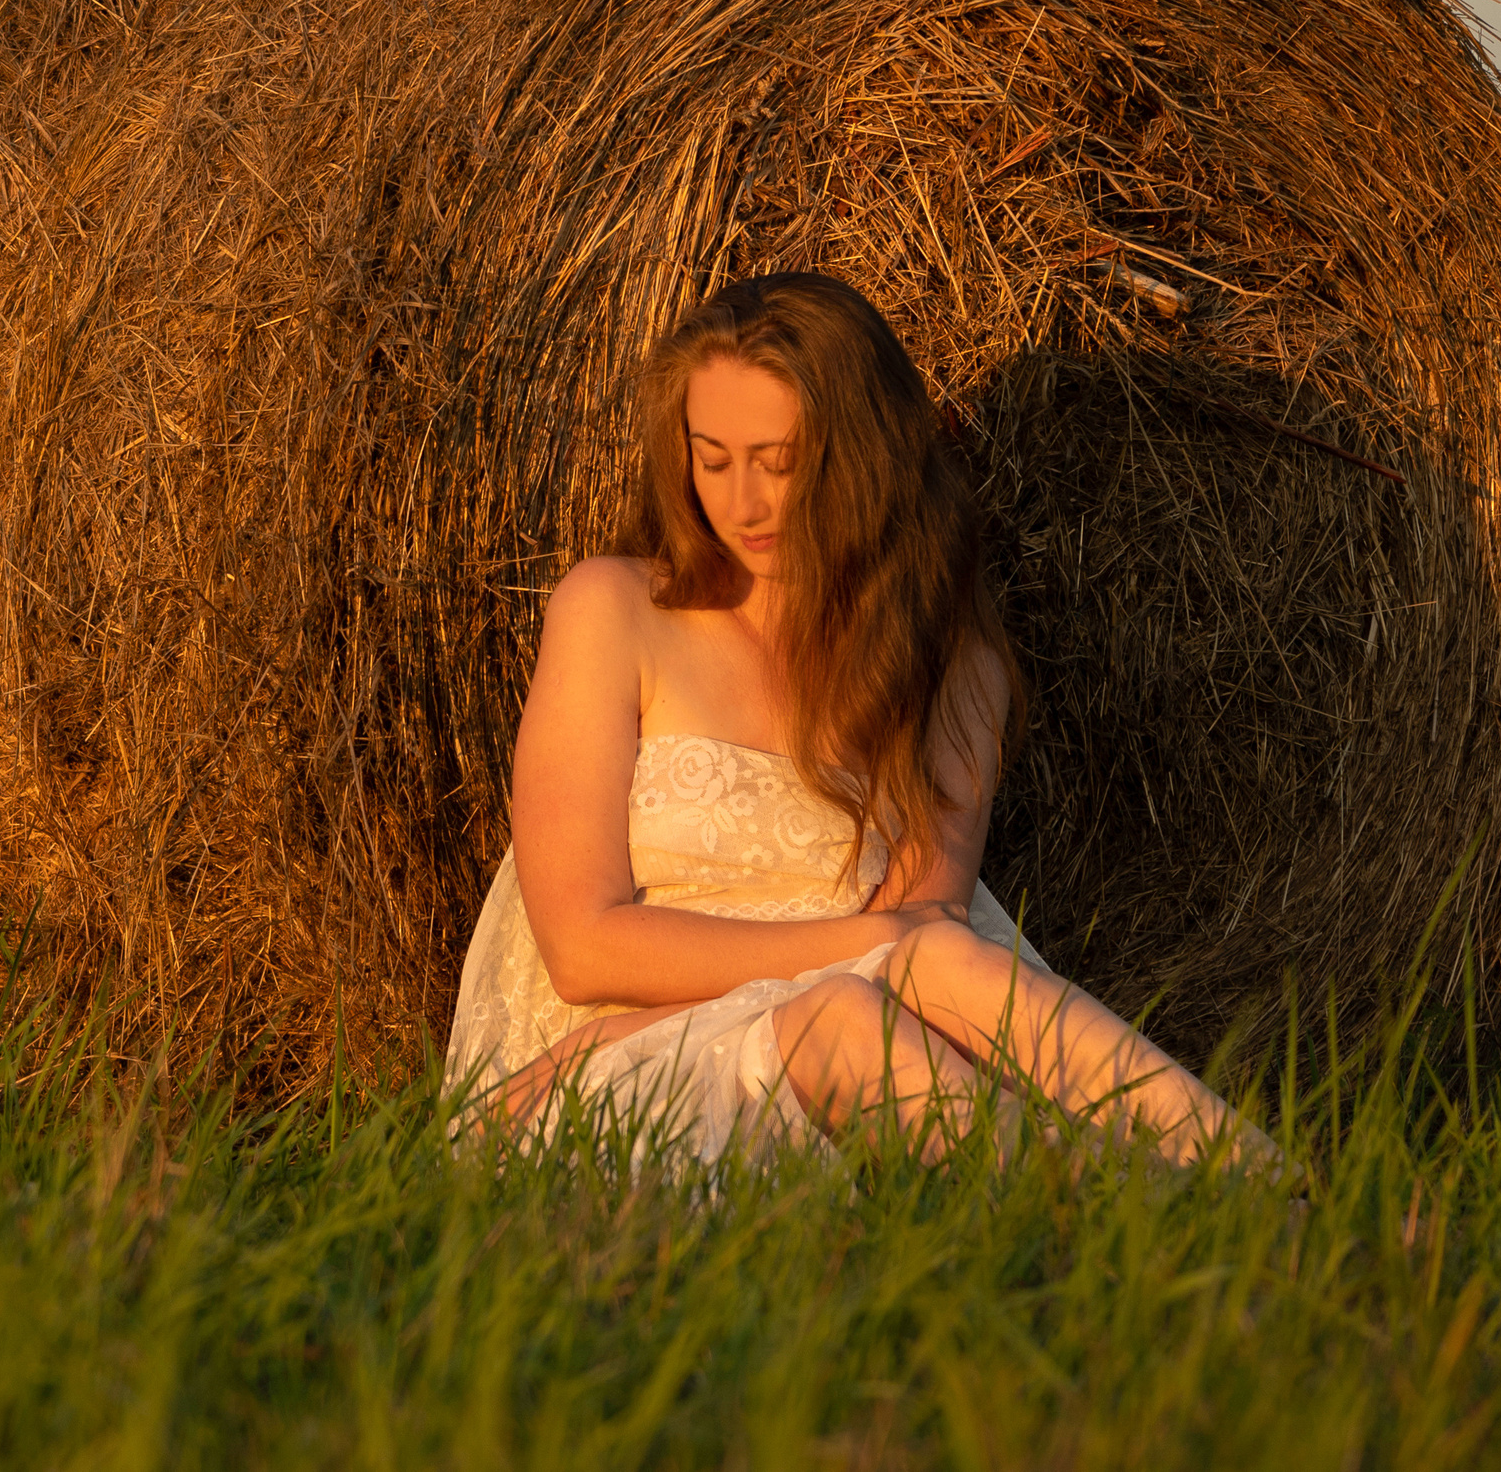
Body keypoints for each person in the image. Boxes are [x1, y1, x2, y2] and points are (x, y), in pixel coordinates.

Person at [444, 272, 1269, 1168]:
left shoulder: (948, 664)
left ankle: (1268, 1192)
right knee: (862, 997)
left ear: (860, 453)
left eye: (779, 460)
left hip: (873, 1047)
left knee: (925, 970)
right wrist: (874, 941)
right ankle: (1119, 1226)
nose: (742, 502)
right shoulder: (613, 611)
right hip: (617, 1064)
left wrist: (893, 944)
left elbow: (927, 943)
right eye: (711, 458)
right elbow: (583, 950)